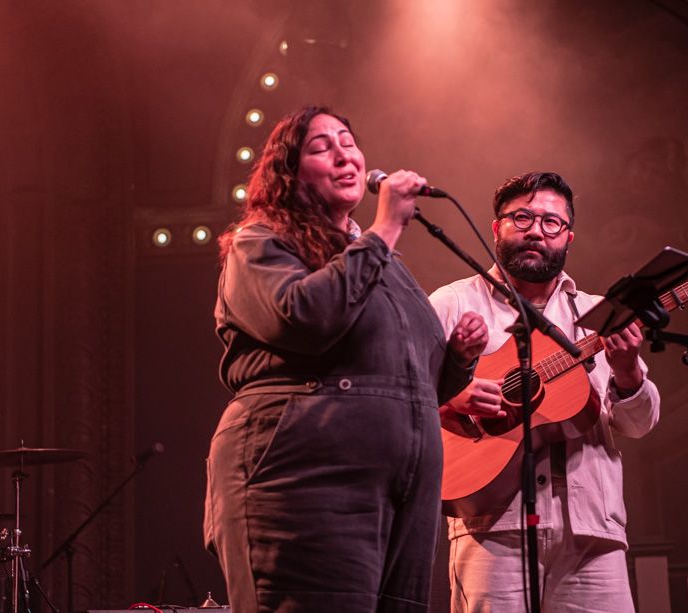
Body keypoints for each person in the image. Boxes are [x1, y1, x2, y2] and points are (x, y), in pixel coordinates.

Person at [203, 105, 488, 613]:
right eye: (321, 147)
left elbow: (412, 384)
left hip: (402, 493)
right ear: (289, 174)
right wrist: (384, 230)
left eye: (348, 142)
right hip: (305, 479)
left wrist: (458, 359)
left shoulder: (381, 262)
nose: (343, 155)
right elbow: (304, 318)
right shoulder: (260, 243)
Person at [428, 171, 661, 613]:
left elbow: (637, 425)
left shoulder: (597, 313)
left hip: (592, 530)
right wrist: (454, 395)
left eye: (551, 222)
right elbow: (398, 387)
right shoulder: (453, 303)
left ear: (568, 237)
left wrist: (627, 368)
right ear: (496, 228)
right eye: (522, 218)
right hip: (491, 525)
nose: (536, 230)